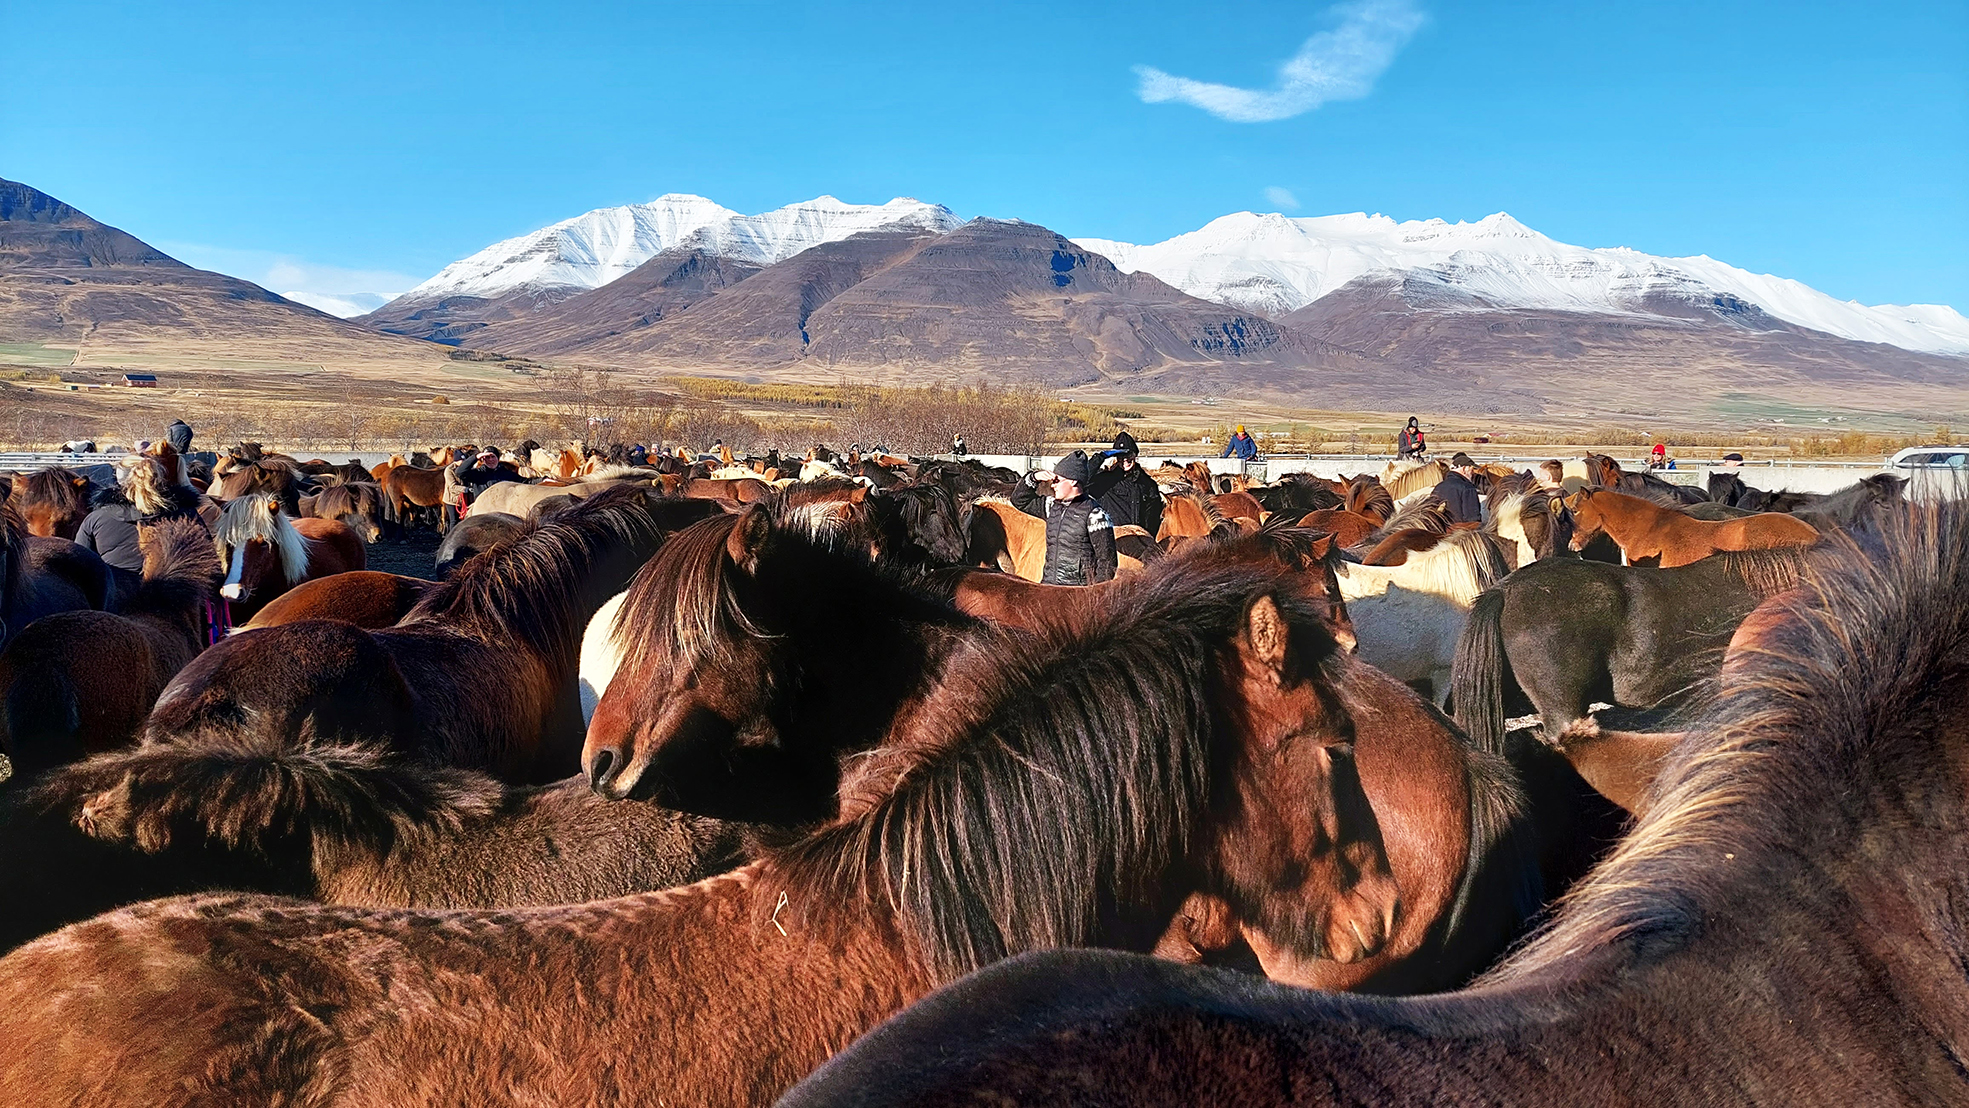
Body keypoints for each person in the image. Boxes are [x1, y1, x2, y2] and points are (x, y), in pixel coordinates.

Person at [76, 444, 204, 595]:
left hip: (113, 602)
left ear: (119, 481)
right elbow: (204, 561)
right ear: (158, 478)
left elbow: (78, 565)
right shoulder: (186, 514)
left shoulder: (95, 519)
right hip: (171, 603)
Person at [1011, 450, 1117, 586]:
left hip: (1077, 594)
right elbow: (1019, 500)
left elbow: (1107, 563)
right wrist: (1033, 477)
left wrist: (1092, 596)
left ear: (1073, 481)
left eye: (1057, 480)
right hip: (1049, 588)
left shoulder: (1096, 515)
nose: (1052, 485)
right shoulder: (1050, 506)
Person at [1085, 430, 1164, 540]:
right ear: (1115, 457)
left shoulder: (1148, 484)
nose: (1125, 459)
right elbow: (1081, 480)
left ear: (1135, 455)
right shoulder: (1105, 480)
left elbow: (1153, 517)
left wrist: (1148, 539)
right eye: (1121, 455)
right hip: (1114, 541)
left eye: (1129, 454)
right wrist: (1100, 457)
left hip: (1141, 542)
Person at [1432, 452, 1483, 525]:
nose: (1473, 473)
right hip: (1460, 534)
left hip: (1440, 533)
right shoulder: (1468, 488)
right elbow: (1473, 520)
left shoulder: (1439, 487)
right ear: (1465, 468)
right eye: (1472, 469)